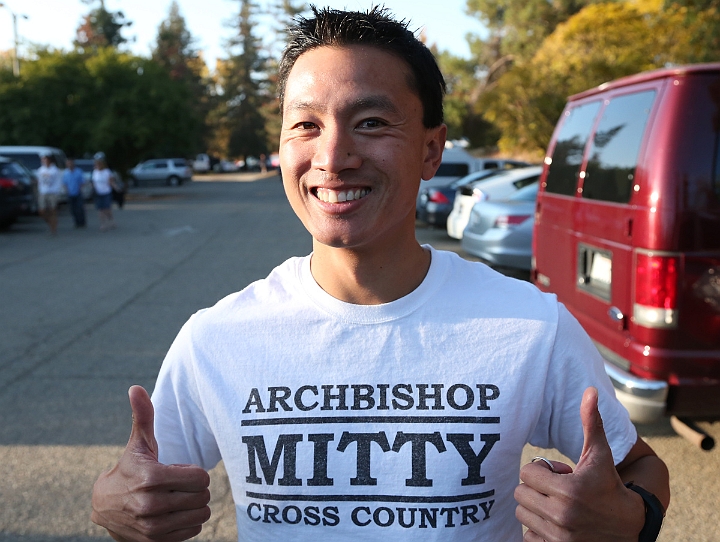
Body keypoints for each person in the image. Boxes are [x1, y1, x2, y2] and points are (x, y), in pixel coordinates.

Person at [91, 7, 670, 542]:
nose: (333, 156)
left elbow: (639, 464)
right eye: (306, 125)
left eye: (370, 121)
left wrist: (632, 517)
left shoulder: (530, 325)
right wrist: (111, 505)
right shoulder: (214, 339)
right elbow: (141, 487)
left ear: (430, 150)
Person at [36, 154, 63, 235]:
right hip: (43, 192)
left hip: (52, 192)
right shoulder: (40, 170)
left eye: (45, 159)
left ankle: (53, 228)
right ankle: (50, 223)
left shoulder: (54, 170)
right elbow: (39, 181)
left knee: (53, 211)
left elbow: (58, 181)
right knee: (42, 211)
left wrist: (58, 192)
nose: (44, 161)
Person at [91, 152, 117, 231]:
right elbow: (93, 182)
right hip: (98, 193)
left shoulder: (107, 172)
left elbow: (111, 181)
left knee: (107, 209)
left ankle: (111, 220)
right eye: (96, 164)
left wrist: (116, 187)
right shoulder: (95, 172)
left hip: (106, 192)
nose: (98, 165)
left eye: (99, 164)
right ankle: (103, 224)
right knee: (100, 209)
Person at [62, 158, 87, 228]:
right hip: (70, 193)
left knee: (79, 208)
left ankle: (82, 222)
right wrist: (66, 191)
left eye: (70, 163)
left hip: (78, 193)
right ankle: (76, 222)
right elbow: (64, 183)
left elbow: (82, 182)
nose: (69, 165)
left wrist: (80, 189)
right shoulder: (66, 173)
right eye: (68, 163)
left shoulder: (78, 171)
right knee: (72, 209)